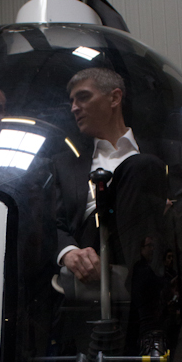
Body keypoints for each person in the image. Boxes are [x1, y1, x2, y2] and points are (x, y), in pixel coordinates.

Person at [55, 67, 169, 285]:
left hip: (157, 240)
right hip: (94, 244)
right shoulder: (63, 164)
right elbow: (52, 224)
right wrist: (69, 252)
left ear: (115, 98)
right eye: (72, 101)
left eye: (83, 97)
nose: (74, 108)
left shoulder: (166, 152)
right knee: (139, 166)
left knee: (140, 166)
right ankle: (145, 286)